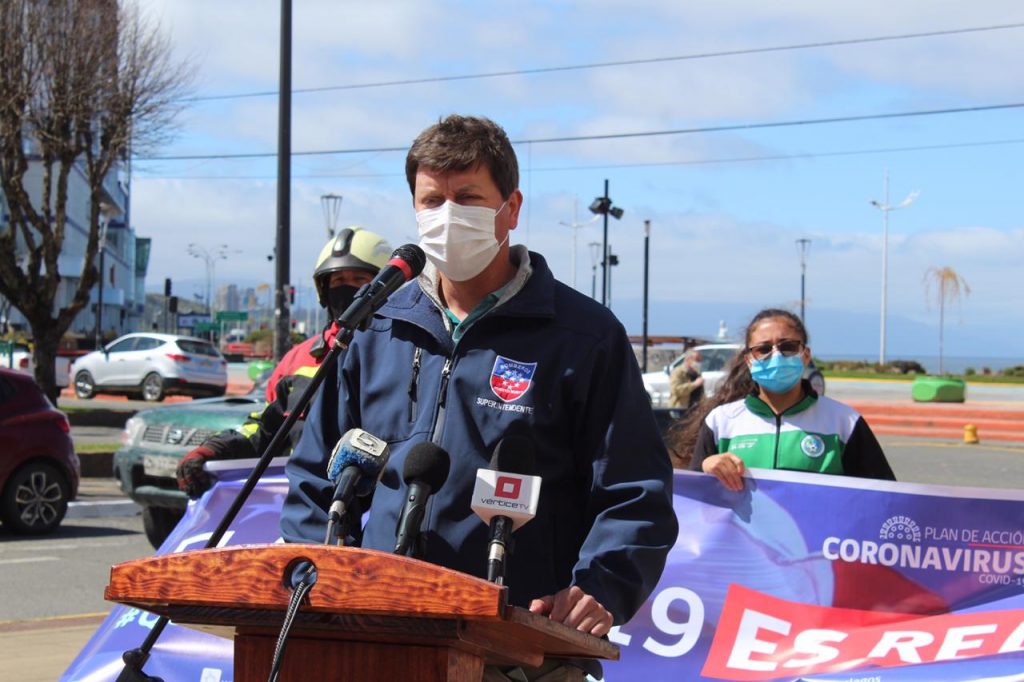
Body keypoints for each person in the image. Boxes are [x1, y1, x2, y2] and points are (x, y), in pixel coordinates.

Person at [281, 115, 678, 681]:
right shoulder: (374, 327)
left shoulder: (584, 337)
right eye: (431, 200)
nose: (446, 216)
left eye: (467, 197)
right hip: (374, 633)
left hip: (520, 647)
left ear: (511, 208)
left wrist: (602, 586)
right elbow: (316, 474)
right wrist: (309, 575)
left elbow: (634, 490)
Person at [175, 227, 392, 498]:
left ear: (385, 287)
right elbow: (265, 430)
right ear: (324, 292)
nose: (347, 288)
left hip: (377, 516)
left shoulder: (405, 356)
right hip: (304, 510)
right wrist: (214, 450)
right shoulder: (297, 360)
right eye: (337, 281)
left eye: (359, 279)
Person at [678, 308, 894, 489]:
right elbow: (696, 502)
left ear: (806, 355)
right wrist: (707, 465)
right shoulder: (721, 421)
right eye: (763, 349)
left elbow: (884, 497)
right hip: (742, 541)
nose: (776, 355)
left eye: (788, 346)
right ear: (749, 360)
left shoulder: (844, 422)